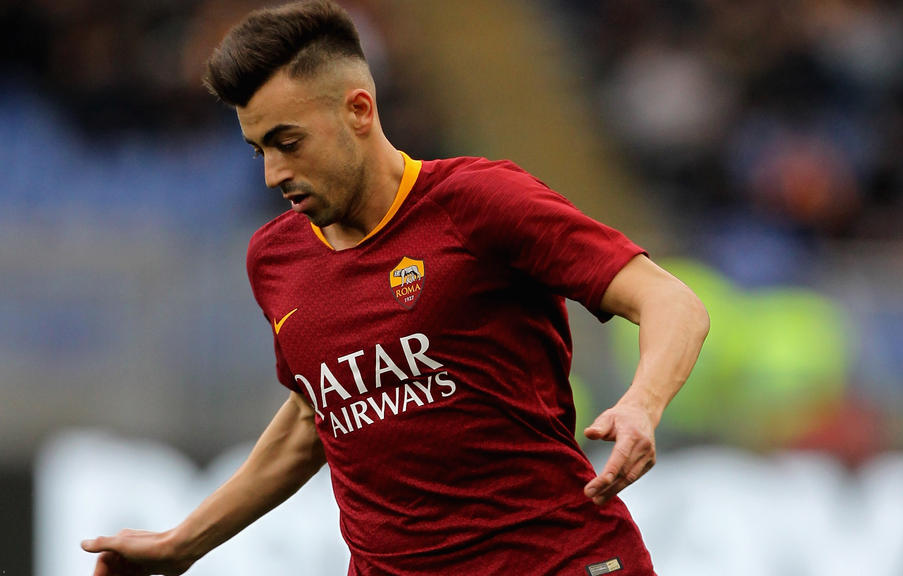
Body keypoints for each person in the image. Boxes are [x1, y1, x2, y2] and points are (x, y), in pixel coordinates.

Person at [81, 1, 709, 574]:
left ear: (359, 109)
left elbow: (670, 301)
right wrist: (181, 543)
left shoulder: (478, 201)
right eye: (258, 150)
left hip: (558, 560)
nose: (274, 173)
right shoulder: (274, 258)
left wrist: (641, 404)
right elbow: (315, 414)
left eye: (288, 142)